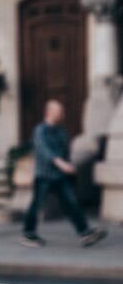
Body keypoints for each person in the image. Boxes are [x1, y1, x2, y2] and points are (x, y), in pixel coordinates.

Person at [21, 99, 107, 248]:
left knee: (71, 203)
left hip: (60, 176)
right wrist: (63, 165)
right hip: (44, 176)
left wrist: (70, 164)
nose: (62, 114)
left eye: (62, 111)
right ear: (49, 112)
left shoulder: (61, 130)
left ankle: (85, 233)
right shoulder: (40, 130)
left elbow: (66, 151)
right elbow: (46, 152)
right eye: (58, 111)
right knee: (37, 205)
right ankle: (29, 234)